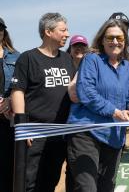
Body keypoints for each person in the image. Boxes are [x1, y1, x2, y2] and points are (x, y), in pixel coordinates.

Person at [67, 19, 129, 192]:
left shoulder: (127, 67)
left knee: (107, 187)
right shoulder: (91, 60)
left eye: (119, 38)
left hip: (113, 137)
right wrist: (115, 112)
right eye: (110, 38)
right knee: (87, 188)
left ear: (125, 41)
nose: (115, 42)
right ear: (102, 40)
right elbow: (86, 92)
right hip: (86, 133)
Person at [11, 12, 75, 192]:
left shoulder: (67, 59)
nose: (67, 34)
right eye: (63, 30)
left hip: (60, 132)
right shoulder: (28, 58)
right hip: (35, 133)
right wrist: (22, 127)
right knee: (28, 182)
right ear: (48, 31)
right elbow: (18, 92)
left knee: (50, 180)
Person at [0, 17, 20, 192]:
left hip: (8, 118)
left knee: (8, 166)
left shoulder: (16, 56)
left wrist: (10, 101)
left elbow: (21, 85)